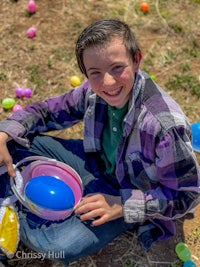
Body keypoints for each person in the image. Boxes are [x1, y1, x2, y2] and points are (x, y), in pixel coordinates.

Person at [0, 18, 199, 266]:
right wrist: (4, 134)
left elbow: (185, 195)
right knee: (10, 142)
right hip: (94, 167)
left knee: (58, 245)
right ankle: (10, 201)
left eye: (117, 68)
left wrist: (122, 205)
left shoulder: (165, 125)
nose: (107, 83)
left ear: (136, 59)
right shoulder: (92, 91)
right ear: (86, 72)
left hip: (129, 192)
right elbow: (47, 112)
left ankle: (10, 214)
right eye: (95, 73)